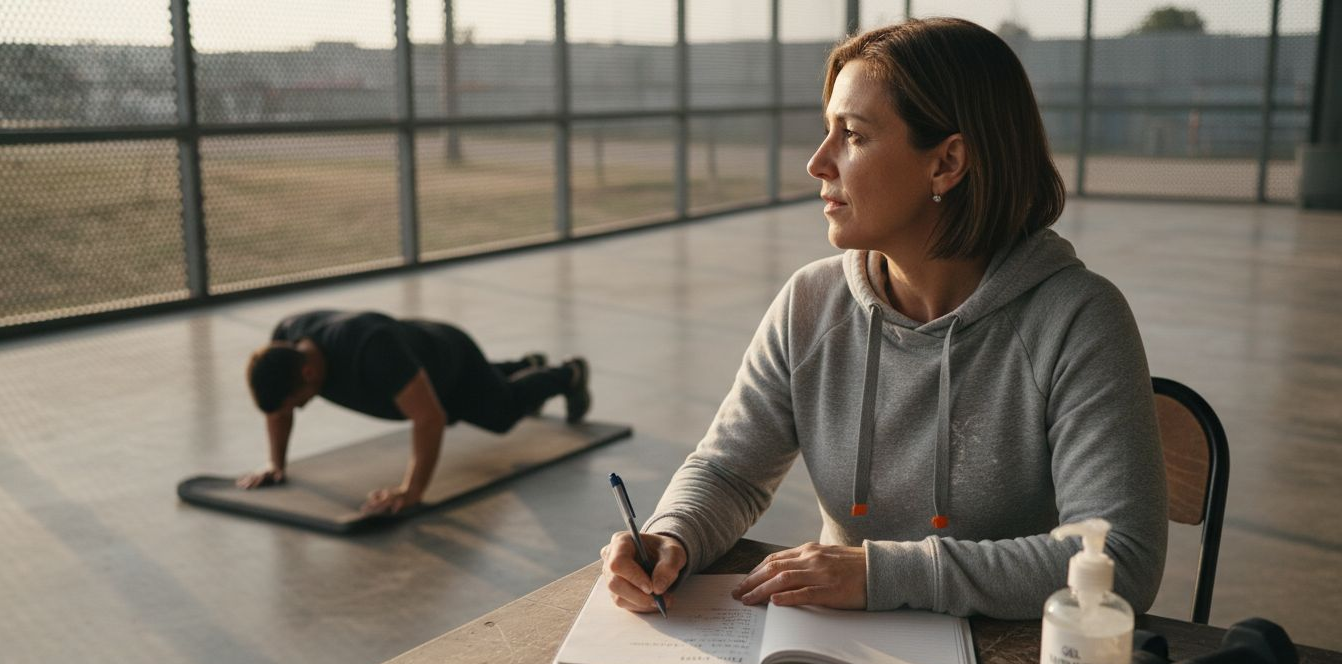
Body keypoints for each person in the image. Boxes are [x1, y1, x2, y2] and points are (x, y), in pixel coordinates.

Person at [601, 18, 1167, 619]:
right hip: (836, 657)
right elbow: (730, 471)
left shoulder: (1078, 320)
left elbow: (1118, 562)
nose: (819, 163)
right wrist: (672, 535)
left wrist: (882, 573)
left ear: (946, 162)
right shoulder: (810, 303)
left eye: (853, 135)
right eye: (827, 131)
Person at [238, 310, 591, 515]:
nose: (292, 411)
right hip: (417, 360)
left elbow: (429, 418)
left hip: (452, 361)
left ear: (309, 374)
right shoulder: (285, 344)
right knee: (483, 394)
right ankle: (525, 364)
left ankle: (568, 374)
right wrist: (276, 465)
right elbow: (278, 410)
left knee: (502, 413)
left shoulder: (370, 349)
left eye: (296, 403)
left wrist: (412, 491)